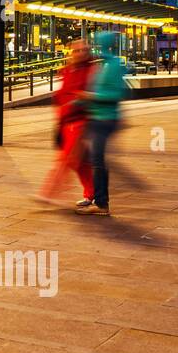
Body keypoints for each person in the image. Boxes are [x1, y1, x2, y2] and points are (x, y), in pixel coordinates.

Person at [35, 40, 93, 206]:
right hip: (65, 121)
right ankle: (91, 193)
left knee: (66, 159)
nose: (80, 53)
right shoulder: (67, 70)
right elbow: (62, 94)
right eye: (76, 51)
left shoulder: (92, 71)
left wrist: (77, 101)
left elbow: (91, 94)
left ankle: (48, 192)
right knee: (80, 162)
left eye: (83, 50)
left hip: (81, 121)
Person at [80, 31, 128, 217]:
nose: (95, 47)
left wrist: (92, 96)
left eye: (99, 44)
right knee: (94, 159)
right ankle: (96, 198)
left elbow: (116, 94)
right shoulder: (104, 64)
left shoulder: (113, 65)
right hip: (97, 117)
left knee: (98, 161)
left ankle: (101, 204)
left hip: (106, 118)